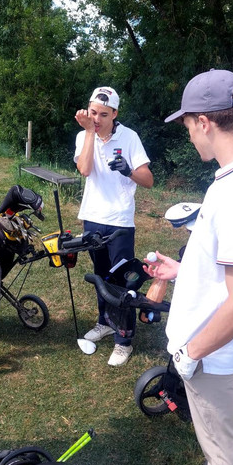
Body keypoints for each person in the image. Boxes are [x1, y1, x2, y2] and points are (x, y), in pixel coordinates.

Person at [144, 69, 233, 465]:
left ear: (204, 122)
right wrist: (184, 271)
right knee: (221, 448)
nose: (189, 135)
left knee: (222, 457)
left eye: (188, 125)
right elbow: (229, 269)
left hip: (211, 360)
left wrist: (191, 353)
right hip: (213, 354)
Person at [74, 86, 153, 366]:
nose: (96, 119)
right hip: (93, 217)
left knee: (122, 280)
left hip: (119, 220)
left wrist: (128, 170)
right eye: (93, 112)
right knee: (101, 277)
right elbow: (85, 170)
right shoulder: (84, 136)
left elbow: (148, 179)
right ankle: (105, 322)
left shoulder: (129, 137)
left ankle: (123, 341)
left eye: (103, 115)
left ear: (115, 114)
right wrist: (89, 133)